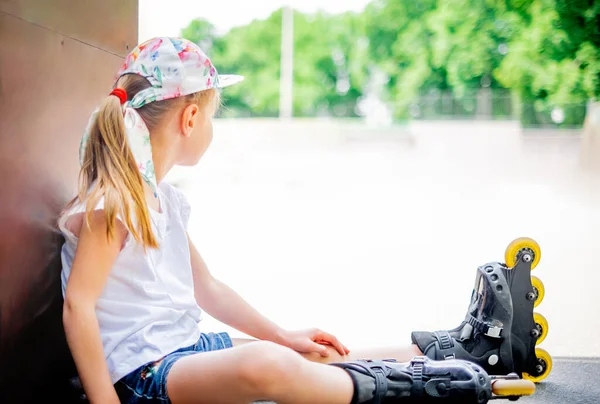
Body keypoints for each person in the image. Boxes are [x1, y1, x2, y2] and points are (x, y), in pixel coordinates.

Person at [58, 37, 511, 404]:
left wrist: (283, 334)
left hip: (180, 354)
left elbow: (208, 288)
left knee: (302, 354)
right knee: (267, 366)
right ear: (191, 118)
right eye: (214, 115)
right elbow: (78, 306)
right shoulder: (113, 203)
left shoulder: (163, 201)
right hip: (144, 377)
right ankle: (409, 390)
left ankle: (444, 352)